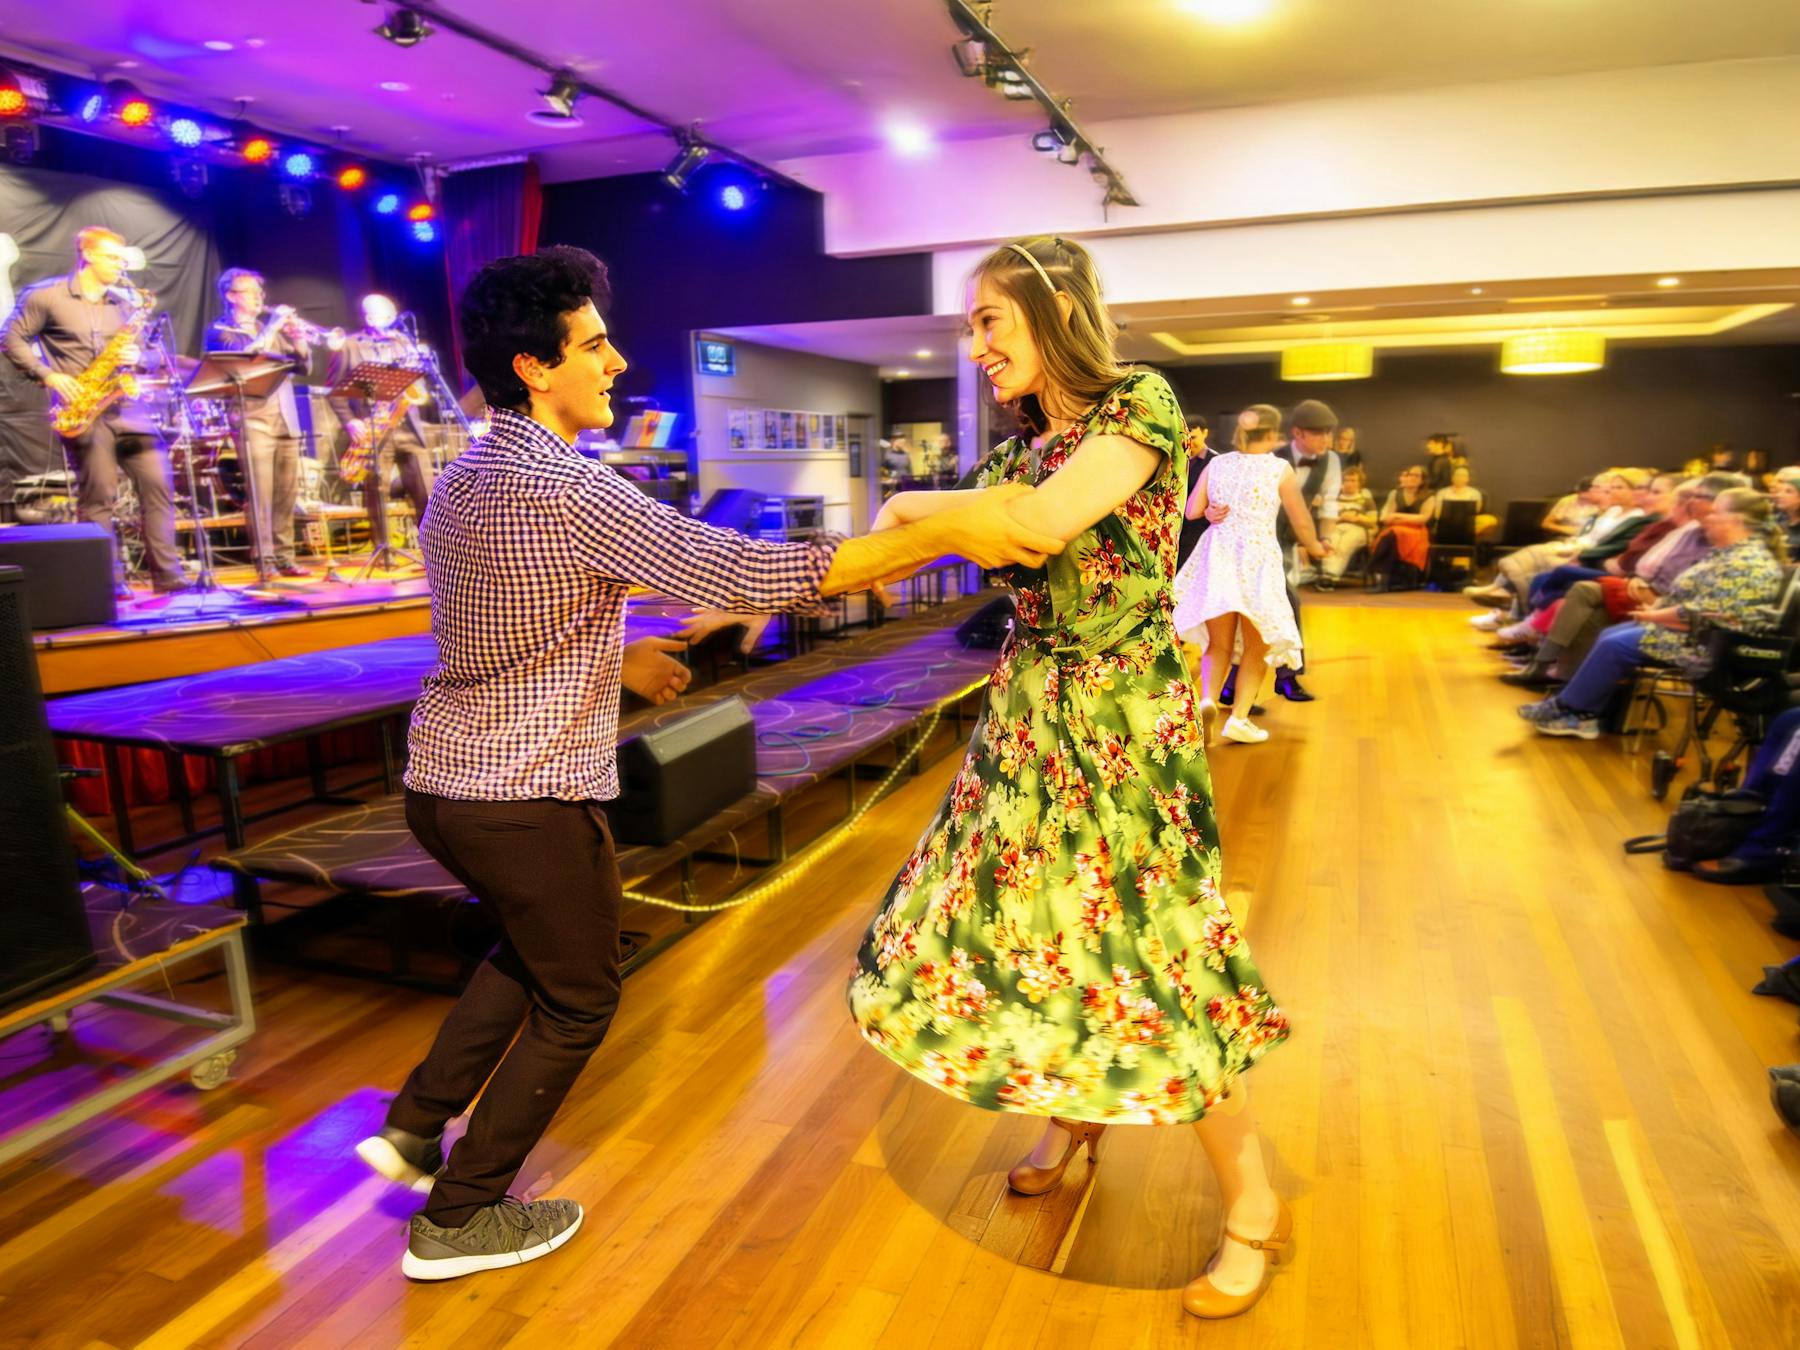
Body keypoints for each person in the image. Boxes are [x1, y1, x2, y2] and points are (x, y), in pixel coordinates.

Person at [356, 245, 1065, 1281]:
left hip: (447, 783)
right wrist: (954, 531)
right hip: (522, 794)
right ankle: (459, 1216)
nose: (616, 362)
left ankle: (417, 1127)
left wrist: (618, 652)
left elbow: (498, 617)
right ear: (532, 369)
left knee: (534, 950)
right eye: (592, 346)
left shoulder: (471, 474)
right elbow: (752, 571)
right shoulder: (565, 485)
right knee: (582, 992)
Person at [848, 235, 1292, 1321]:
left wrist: (910, 512)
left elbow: (1040, 526)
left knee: (1152, 952)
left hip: (1121, 721)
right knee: (1026, 934)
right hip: (1032, 712)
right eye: (970, 326)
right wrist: (935, 519)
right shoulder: (1011, 457)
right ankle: (1077, 1117)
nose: (976, 344)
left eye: (990, 320)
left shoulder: (1137, 404)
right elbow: (1001, 528)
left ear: (1051, 317)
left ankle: (1253, 1200)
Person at [1, 225, 186, 595]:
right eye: (113, 258)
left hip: (130, 408)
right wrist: (48, 375)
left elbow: (152, 355)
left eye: (122, 259)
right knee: (99, 497)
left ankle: (168, 577)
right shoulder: (47, 295)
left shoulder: (126, 304)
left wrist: (142, 357)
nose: (121, 266)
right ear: (87, 255)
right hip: (84, 409)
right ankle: (108, 581)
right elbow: (10, 337)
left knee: (158, 488)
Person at [1518, 487, 1784, 739]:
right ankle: (1581, 710)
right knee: (1611, 633)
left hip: (1710, 644)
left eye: (1716, 513)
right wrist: (1657, 610)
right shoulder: (1727, 554)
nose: (1708, 518)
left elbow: (1712, 615)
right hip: (1693, 632)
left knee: (1616, 643)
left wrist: (1654, 616)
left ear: (1736, 520)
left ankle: (1570, 709)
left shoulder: (1748, 562)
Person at [1174, 404, 1329, 744]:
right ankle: (1239, 719)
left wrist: (1213, 511)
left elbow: (1192, 510)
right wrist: (1316, 547)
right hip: (1257, 560)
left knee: (1219, 645)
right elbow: (1300, 518)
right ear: (1274, 435)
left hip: (1219, 556)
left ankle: (1206, 702)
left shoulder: (1217, 464)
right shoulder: (1279, 469)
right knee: (1257, 648)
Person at [205, 268, 312, 581]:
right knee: (261, 493)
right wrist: (276, 326)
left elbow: (303, 366)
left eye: (259, 293)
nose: (258, 299)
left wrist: (300, 339)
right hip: (252, 418)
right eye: (250, 292)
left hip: (285, 417)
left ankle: (284, 556)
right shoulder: (220, 330)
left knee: (285, 494)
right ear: (230, 296)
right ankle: (264, 560)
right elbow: (247, 358)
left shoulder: (272, 330)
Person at [327, 293, 434, 556]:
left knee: (426, 491)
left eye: (387, 313)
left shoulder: (403, 342)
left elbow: (419, 385)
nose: (381, 319)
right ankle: (383, 551)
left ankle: (433, 551)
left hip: (408, 425)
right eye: (374, 313)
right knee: (377, 490)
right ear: (365, 315)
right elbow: (334, 389)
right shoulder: (350, 345)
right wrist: (350, 421)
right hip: (375, 427)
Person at [1367, 465, 1434, 591]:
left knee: (1391, 536)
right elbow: (1386, 516)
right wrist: (1391, 517)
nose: (1412, 478)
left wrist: (1398, 515)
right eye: (1410, 474)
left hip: (1416, 531)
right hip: (1395, 529)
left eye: (1416, 475)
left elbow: (1423, 518)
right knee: (1391, 536)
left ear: (1423, 480)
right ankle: (1384, 582)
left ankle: (1379, 575)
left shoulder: (1429, 496)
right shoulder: (1395, 493)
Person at [1317, 463, 1377, 589]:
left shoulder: (1366, 500)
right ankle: (1327, 576)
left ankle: (1330, 574)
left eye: (1353, 480)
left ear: (1359, 483)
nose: (1349, 483)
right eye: (1346, 480)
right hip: (1336, 526)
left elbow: (1373, 521)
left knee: (1345, 543)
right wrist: (1340, 518)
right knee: (1331, 543)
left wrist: (1356, 518)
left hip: (1358, 528)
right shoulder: (1334, 498)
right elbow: (1324, 518)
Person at [1175, 412, 1218, 570]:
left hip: (1198, 534)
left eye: (1193, 438)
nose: (1189, 443)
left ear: (1205, 433)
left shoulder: (1216, 462)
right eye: (1185, 438)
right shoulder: (1175, 460)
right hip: (1175, 532)